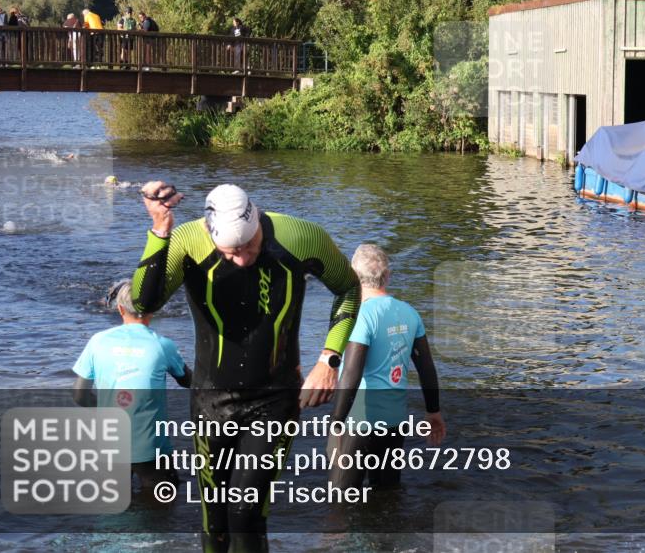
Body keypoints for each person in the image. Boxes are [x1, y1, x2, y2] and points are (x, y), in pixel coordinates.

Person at [132, 182, 361, 552]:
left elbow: (349, 289)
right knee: (215, 518)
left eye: (249, 246)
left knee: (246, 512)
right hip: (211, 401)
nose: (241, 259)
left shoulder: (299, 236)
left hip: (274, 398)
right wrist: (160, 230)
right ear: (211, 233)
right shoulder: (189, 240)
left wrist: (329, 359)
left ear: (256, 220)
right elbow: (145, 302)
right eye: (230, 252)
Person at [327, 244, 446, 492]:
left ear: (353, 277)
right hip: (394, 421)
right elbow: (426, 368)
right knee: (387, 494)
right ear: (388, 276)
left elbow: (351, 372)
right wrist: (433, 412)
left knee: (341, 499)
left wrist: (336, 423)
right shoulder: (409, 313)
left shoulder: (361, 315)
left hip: (359, 421)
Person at [72, 279, 193, 492]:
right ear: (153, 310)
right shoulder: (162, 344)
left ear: (119, 309)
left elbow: (80, 396)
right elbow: (189, 382)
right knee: (162, 508)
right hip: (151, 450)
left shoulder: (98, 341)